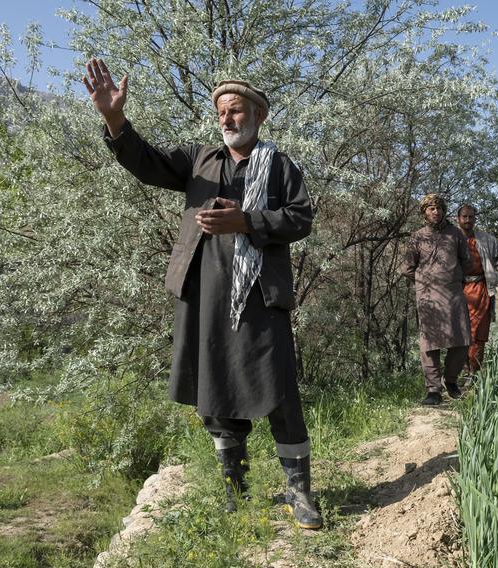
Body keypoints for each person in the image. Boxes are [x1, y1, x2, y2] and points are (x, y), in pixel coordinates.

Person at [82, 58, 321, 529]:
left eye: (235, 111)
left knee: (278, 390)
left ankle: (301, 493)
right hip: (204, 292)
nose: (227, 119)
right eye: (221, 113)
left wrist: (247, 221)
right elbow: (146, 164)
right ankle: (237, 490)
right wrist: (114, 118)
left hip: (259, 295)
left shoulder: (280, 167)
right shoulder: (199, 160)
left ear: (258, 115)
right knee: (215, 388)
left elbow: (301, 219)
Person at [402, 194, 473, 405]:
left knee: (461, 340)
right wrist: (425, 282)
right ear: (424, 212)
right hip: (427, 297)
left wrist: (454, 278)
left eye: (439, 208)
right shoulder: (417, 237)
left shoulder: (456, 235)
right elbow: (407, 268)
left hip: (453, 294)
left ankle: (450, 382)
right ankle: (433, 390)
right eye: (431, 208)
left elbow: (466, 262)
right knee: (430, 343)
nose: (436, 212)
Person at [455, 204, 498, 384]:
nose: (467, 220)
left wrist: (497, 269)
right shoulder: (451, 239)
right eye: (464, 217)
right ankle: (462, 371)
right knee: (459, 333)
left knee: (477, 333)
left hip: (480, 289)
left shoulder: (485, 239)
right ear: (458, 218)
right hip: (456, 290)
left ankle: (475, 372)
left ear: (475, 218)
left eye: (471, 217)